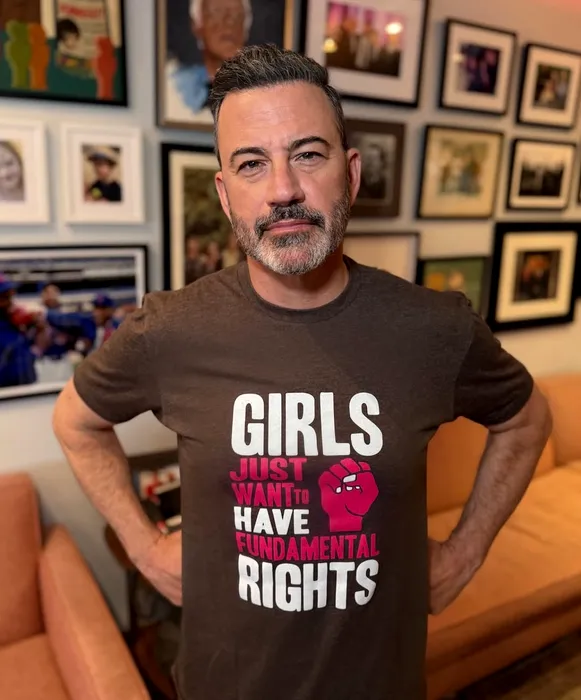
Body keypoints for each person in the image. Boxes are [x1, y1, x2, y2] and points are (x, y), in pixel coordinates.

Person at [52, 45, 552, 700]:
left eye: (308, 154)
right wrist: (145, 548)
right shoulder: (171, 329)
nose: (283, 189)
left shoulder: (434, 328)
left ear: (350, 172)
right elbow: (76, 423)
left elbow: (526, 420)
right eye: (251, 164)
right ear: (225, 195)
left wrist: (464, 552)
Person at [168, 0, 252, 116]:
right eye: (216, 13)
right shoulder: (175, 86)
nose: (229, 22)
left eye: (237, 15)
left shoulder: (259, 88)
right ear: (197, 25)